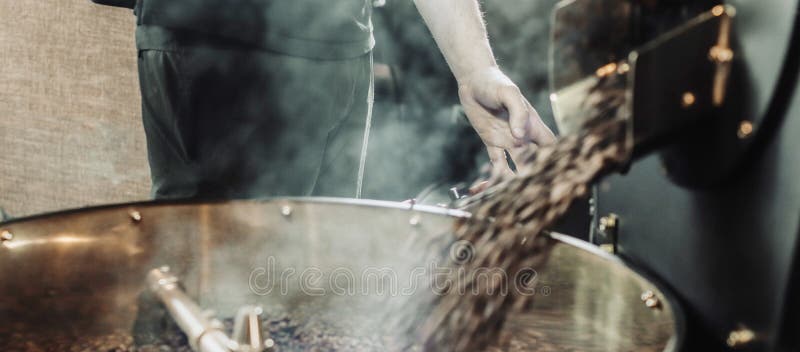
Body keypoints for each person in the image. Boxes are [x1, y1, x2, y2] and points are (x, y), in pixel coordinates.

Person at [106, 0, 555, 199]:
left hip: (343, 45)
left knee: (319, 280)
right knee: (215, 289)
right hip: (225, 40)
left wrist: (475, 68)